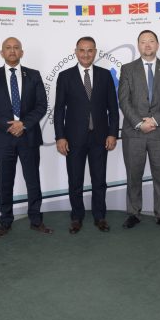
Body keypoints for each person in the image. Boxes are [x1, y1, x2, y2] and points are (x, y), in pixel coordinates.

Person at [0, 37, 52, 237]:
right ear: (1, 52)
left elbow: (41, 105)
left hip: (29, 136)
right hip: (3, 138)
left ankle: (36, 220)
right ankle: (5, 222)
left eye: (16, 48)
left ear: (22, 52)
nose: (12, 51)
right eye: (8, 48)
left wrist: (24, 124)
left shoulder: (34, 75)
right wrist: (9, 126)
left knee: (33, 181)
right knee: (5, 182)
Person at [54, 36, 119, 234]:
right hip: (73, 139)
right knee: (75, 180)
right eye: (82, 50)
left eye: (90, 50)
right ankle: (76, 217)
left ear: (95, 52)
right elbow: (59, 110)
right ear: (76, 52)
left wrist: (112, 133)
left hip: (100, 138)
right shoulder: (65, 76)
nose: (86, 54)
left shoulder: (105, 75)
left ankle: (100, 217)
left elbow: (113, 108)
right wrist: (60, 137)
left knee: (99, 180)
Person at [118, 30, 160, 230]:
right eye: (143, 42)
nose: (147, 45)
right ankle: (133, 213)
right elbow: (123, 100)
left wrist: (155, 120)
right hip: (133, 132)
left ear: (157, 45)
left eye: (151, 41)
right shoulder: (127, 69)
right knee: (133, 175)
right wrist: (139, 123)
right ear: (138, 45)